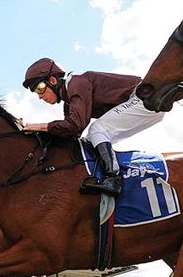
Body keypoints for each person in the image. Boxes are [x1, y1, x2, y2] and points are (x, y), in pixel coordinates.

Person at [22, 58, 165, 196]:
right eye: (35, 92)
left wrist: (38, 126)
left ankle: (113, 180)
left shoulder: (76, 83)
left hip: (146, 98)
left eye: (40, 88)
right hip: (141, 102)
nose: (40, 96)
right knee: (91, 140)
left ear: (52, 80)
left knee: (97, 129)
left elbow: (75, 125)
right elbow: (71, 134)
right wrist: (34, 134)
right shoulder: (69, 100)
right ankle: (110, 175)